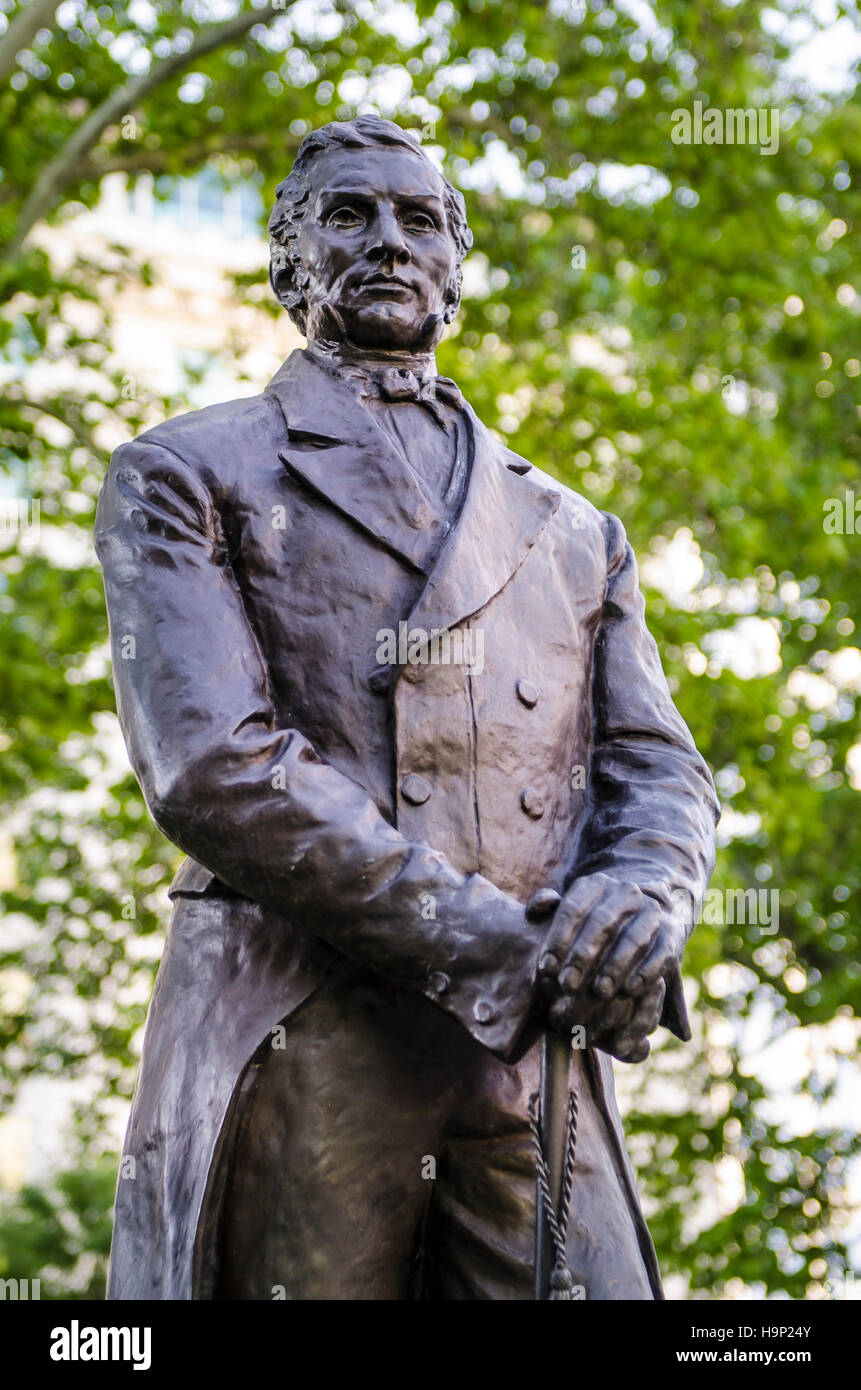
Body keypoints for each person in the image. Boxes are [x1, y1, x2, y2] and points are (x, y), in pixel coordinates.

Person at [96, 115, 719, 1300]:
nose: (389, 240)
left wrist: (643, 900)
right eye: (350, 216)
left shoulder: (578, 530)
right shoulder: (189, 471)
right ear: (289, 264)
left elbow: (660, 769)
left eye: (419, 218)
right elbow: (213, 766)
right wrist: (497, 942)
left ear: (456, 265)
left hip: (538, 1063)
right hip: (309, 1038)